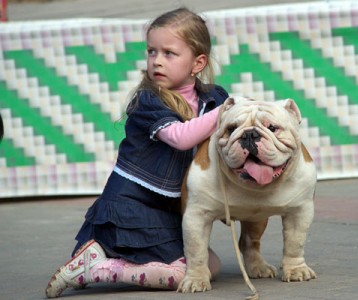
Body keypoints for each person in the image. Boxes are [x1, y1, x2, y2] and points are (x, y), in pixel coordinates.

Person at [45, 7, 229, 298]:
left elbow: (222, 142)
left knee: (210, 266)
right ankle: (97, 269)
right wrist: (229, 112)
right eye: (151, 51)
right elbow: (181, 138)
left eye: (169, 53)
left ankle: (98, 255)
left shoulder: (213, 98)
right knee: (186, 273)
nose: (157, 61)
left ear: (198, 63)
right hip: (132, 206)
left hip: (166, 209)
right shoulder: (149, 100)